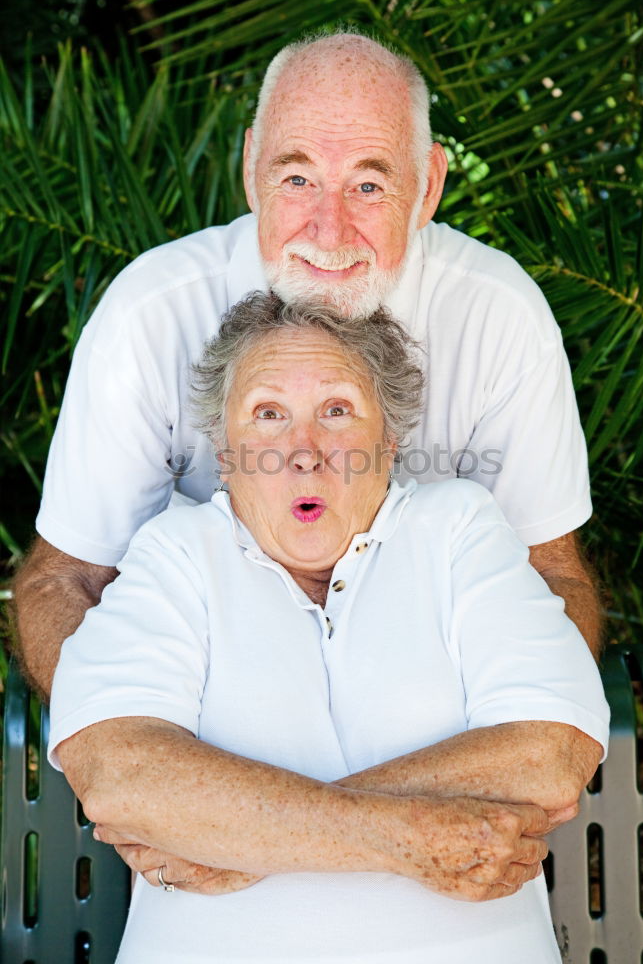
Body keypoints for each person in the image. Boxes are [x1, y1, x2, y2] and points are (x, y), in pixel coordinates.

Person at [15, 32, 601, 700]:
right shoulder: (150, 313)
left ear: (429, 186)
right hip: (204, 721)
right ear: (248, 169)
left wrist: (518, 736)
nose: (329, 229)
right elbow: (69, 579)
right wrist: (128, 752)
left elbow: (551, 579)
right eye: (297, 179)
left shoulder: (500, 316)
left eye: (369, 184)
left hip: (434, 716)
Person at [49, 293, 609, 964]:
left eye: (337, 411)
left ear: (390, 442)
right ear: (225, 454)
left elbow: (548, 756)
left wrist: (235, 832)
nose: (303, 451)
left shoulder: (460, 529)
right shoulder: (175, 554)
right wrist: (406, 836)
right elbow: (120, 775)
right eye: (268, 415)